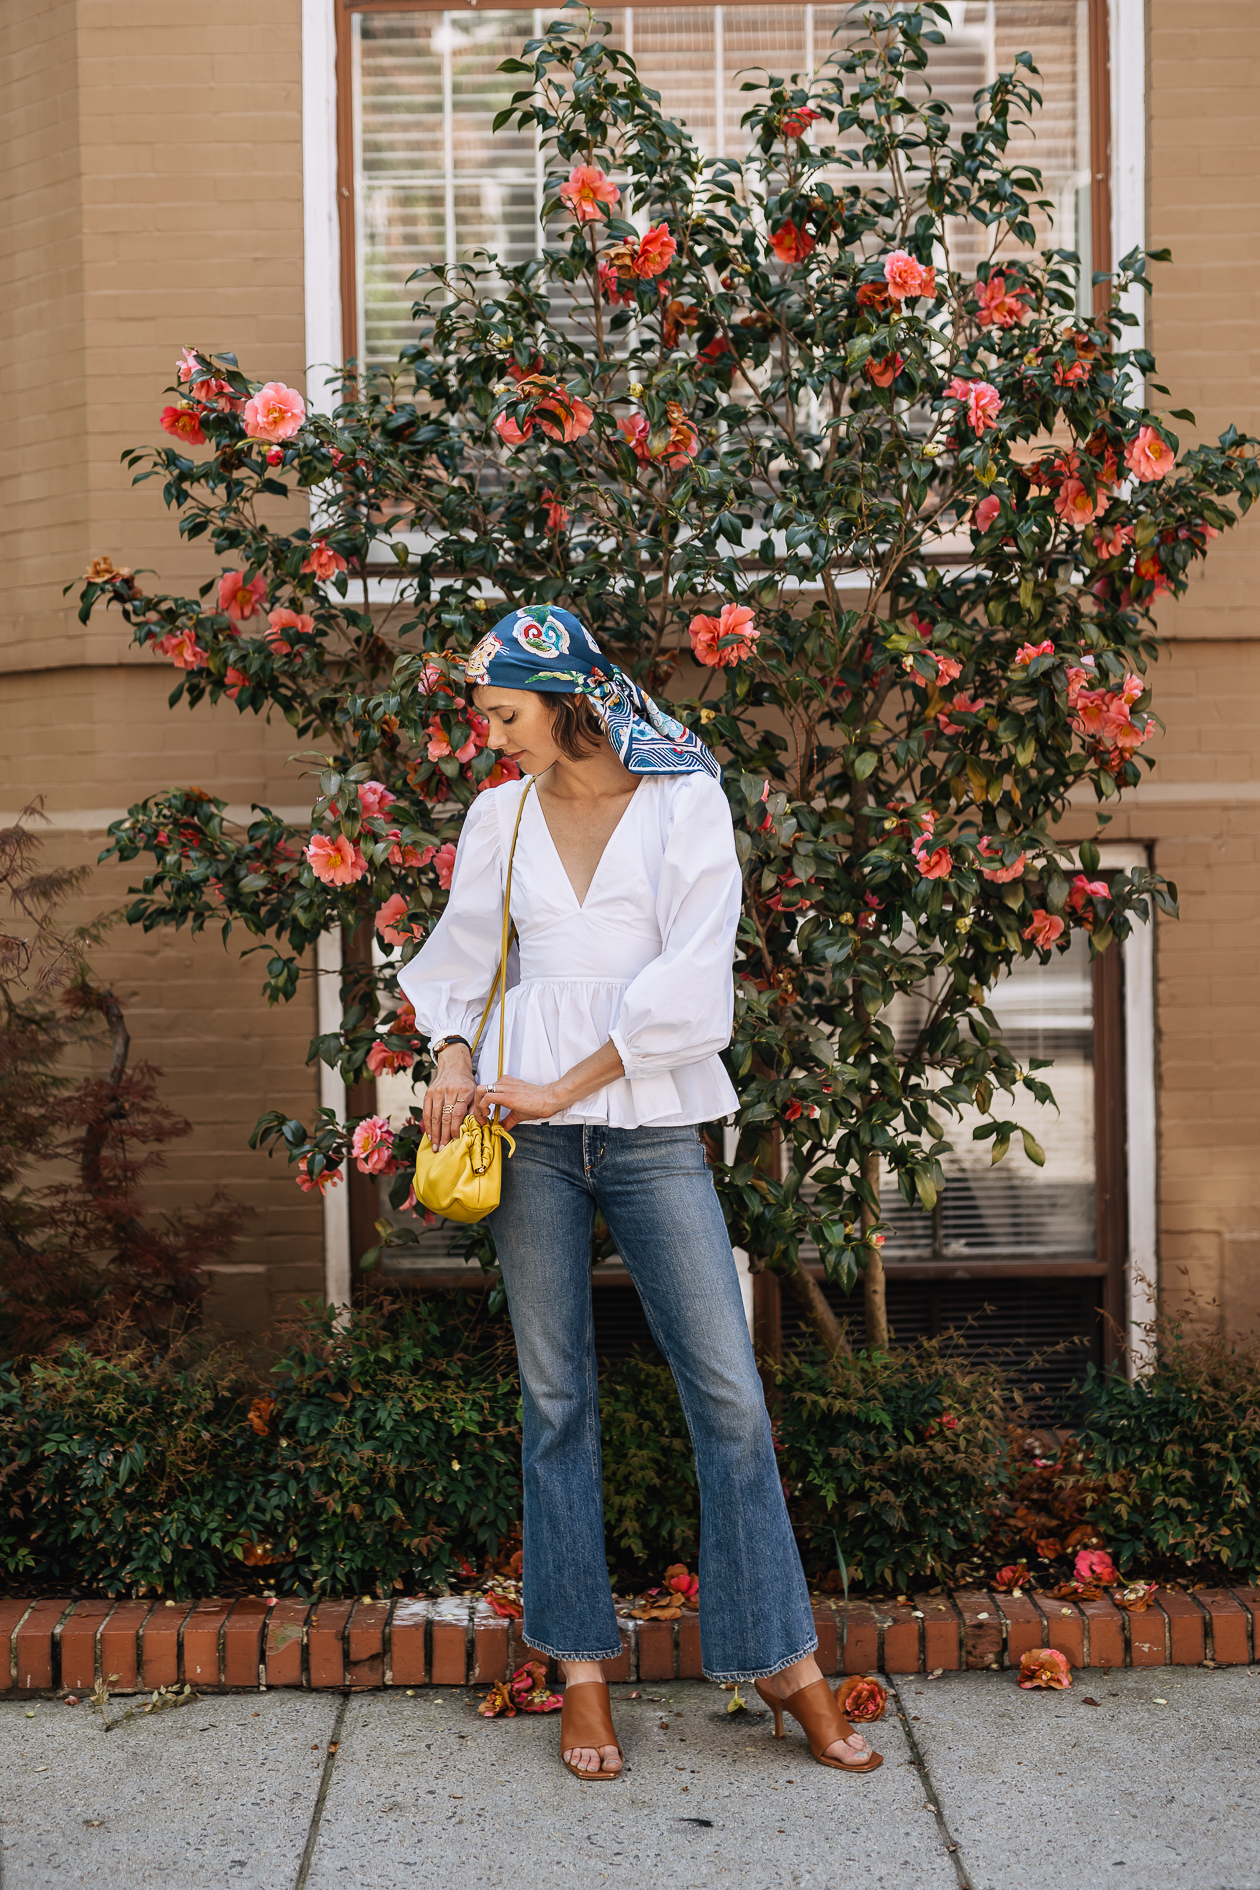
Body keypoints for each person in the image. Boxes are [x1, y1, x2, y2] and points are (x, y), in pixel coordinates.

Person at [399, 605, 880, 1781]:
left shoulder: (684, 802)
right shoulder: (496, 814)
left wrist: (564, 1081)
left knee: (727, 1392)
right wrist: (454, 1065)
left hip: (650, 1124)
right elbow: (462, 966)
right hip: (528, 1142)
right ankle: (579, 1672)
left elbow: (691, 975)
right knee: (555, 1397)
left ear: (568, 703)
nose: (494, 737)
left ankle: (783, 1664)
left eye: (507, 714)